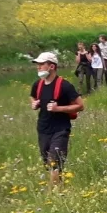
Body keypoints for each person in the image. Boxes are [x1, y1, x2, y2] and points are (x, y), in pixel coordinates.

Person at [29, 51, 83, 185]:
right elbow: (32, 96)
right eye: (38, 64)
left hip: (60, 129)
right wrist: (34, 104)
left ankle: (52, 195)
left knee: (54, 162)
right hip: (43, 129)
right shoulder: (38, 84)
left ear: (51, 66)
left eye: (41, 64)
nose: (38, 67)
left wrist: (58, 108)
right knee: (48, 164)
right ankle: (59, 187)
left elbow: (80, 106)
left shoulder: (65, 86)